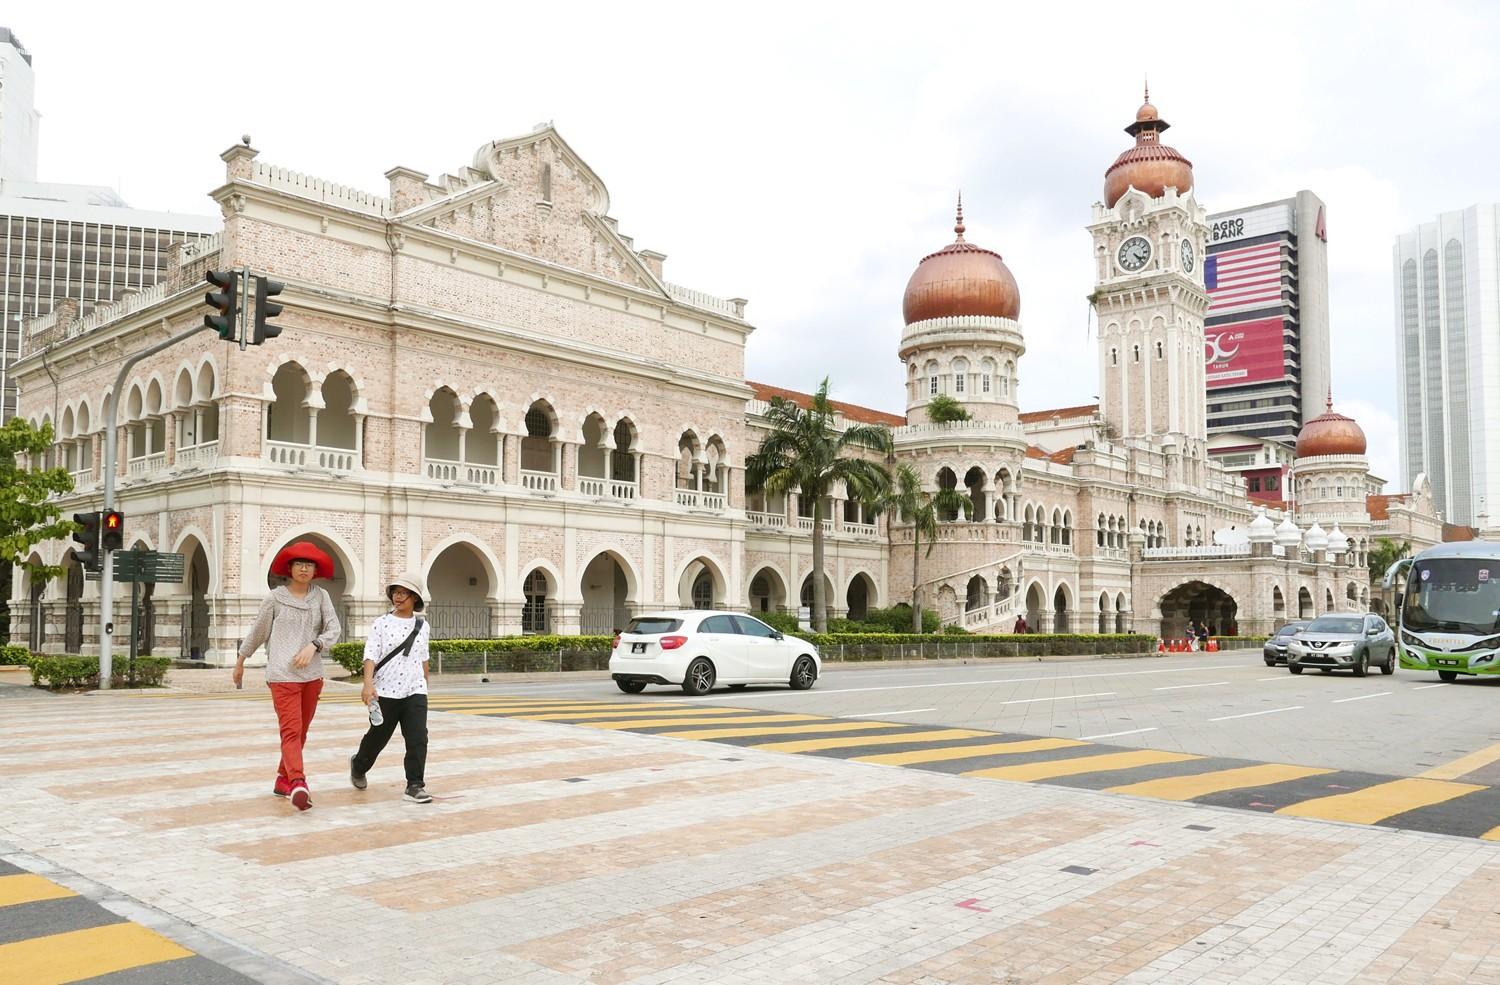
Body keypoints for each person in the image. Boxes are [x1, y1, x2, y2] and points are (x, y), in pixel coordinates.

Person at [234, 541, 342, 812]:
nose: (304, 569)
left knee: (301, 732)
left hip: (312, 675)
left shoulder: (321, 597)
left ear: (315, 570)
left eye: (309, 565)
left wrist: (314, 645)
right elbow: (258, 632)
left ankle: (282, 779)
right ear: (289, 568)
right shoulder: (274, 598)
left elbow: (334, 629)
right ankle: (298, 783)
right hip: (282, 674)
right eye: (299, 564)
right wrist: (241, 661)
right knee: (291, 730)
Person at [350, 572, 434, 804]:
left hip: (415, 690)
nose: (398, 597)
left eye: (404, 593)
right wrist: (367, 685)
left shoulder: (422, 625)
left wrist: (425, 684)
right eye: (396, 592)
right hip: (386, 690)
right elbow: (371, 655)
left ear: (415, 598)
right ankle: (359, 765)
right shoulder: (382, 623)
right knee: (378, 737)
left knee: (418, 738)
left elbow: (423, 657)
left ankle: (415, 785)